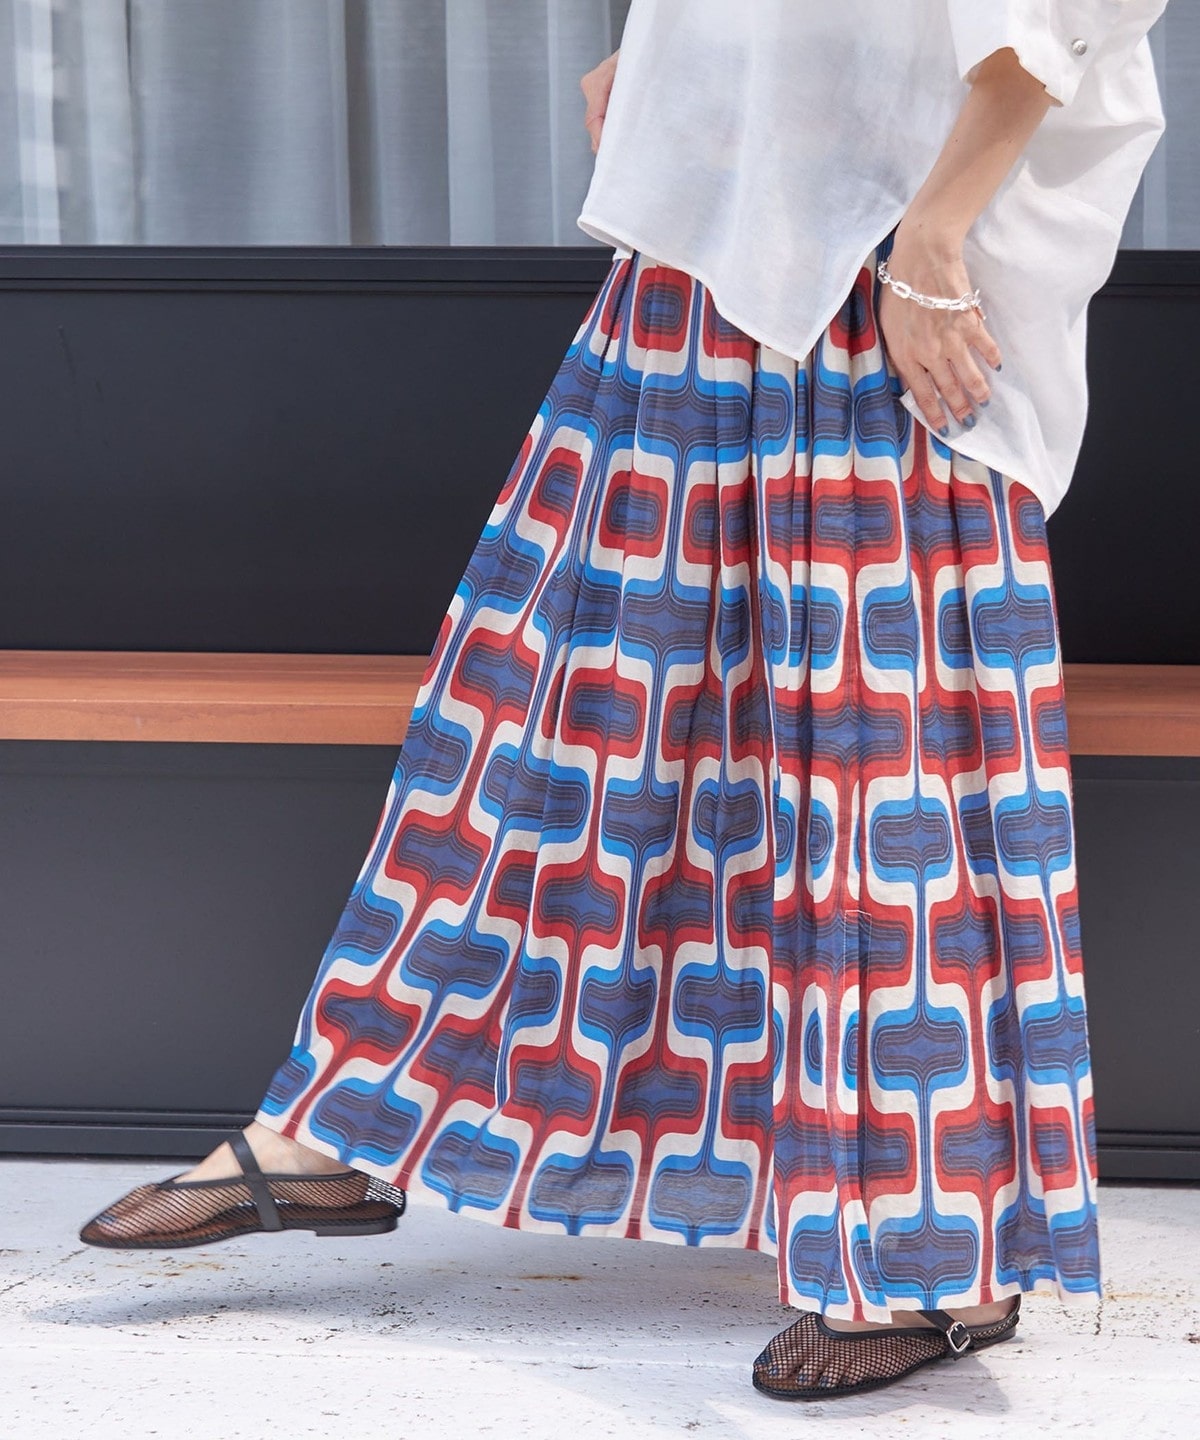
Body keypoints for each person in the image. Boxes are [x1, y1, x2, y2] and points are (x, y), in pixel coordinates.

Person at [79, 0, 1168, 1402]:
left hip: (890, 257)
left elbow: (1050, 21)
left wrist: (940, 240)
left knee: (884, 757)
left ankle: (929, 1253)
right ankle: (348, 1118)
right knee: (558, 691)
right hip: (718, 227)